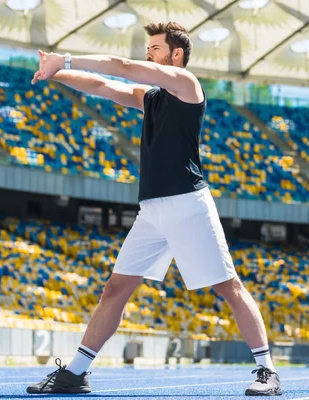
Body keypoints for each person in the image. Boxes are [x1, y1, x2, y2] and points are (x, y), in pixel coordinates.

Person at [25, 22, 282, 397]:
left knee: (228, 287)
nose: (149, 53)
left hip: (188, 205)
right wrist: (57, 73)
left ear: (176, 55)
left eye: (156, 48)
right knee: (115, 289)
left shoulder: (187, 85)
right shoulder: (152, 98)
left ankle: (267, 371)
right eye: (147, 48)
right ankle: (77, 373)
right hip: (152, 211)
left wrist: (66, 57)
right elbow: (101, 86)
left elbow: (122, 68)